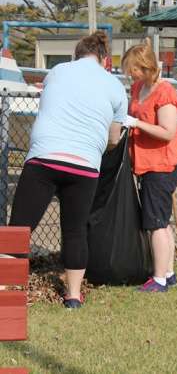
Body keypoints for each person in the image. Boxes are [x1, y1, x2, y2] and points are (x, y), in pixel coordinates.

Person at [9, 32, 128, 309]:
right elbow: (113, 138)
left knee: (20, 229)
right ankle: (73, 296)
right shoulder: (115, 86)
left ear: (76, 55)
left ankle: (4, 287)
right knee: (75, 231)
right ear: (105, 59)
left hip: (44, 158)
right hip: (84, 165)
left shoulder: (58, 71)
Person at [122, 40, 177, 293]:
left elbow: (168, 132)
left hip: (162, 165)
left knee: (156, 223)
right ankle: (168, 274)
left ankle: (157, 280)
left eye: (132, 69)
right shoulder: (138, 87)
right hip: (146, 163)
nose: (129, 74)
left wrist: (135, 123)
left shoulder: (164, 91)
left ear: (145, 66)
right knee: (161, 221)